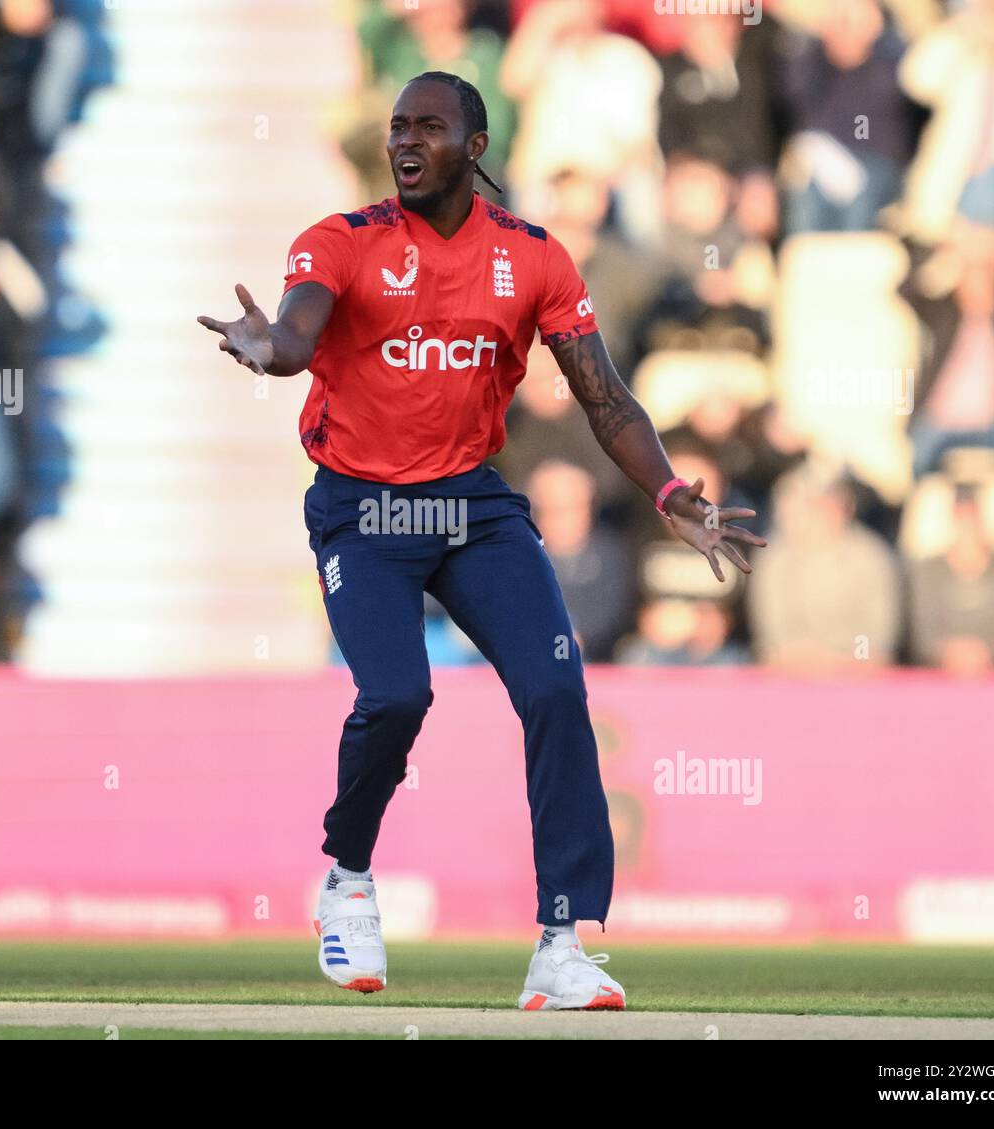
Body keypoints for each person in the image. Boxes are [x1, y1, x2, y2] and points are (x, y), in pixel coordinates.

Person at [198, 72, 763, 1010]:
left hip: (468, 505)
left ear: (478, 142)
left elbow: (605, 397)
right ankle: (346, 876)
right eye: (396, 127)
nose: (406, 141)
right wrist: (271, 348)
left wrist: (668, 489)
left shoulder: (533, 257)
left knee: (554, 683)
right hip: (364, 510)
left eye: (429, 126)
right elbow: (298, 331)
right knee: (396, 693)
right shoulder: (343, 239)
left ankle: (562, 942)